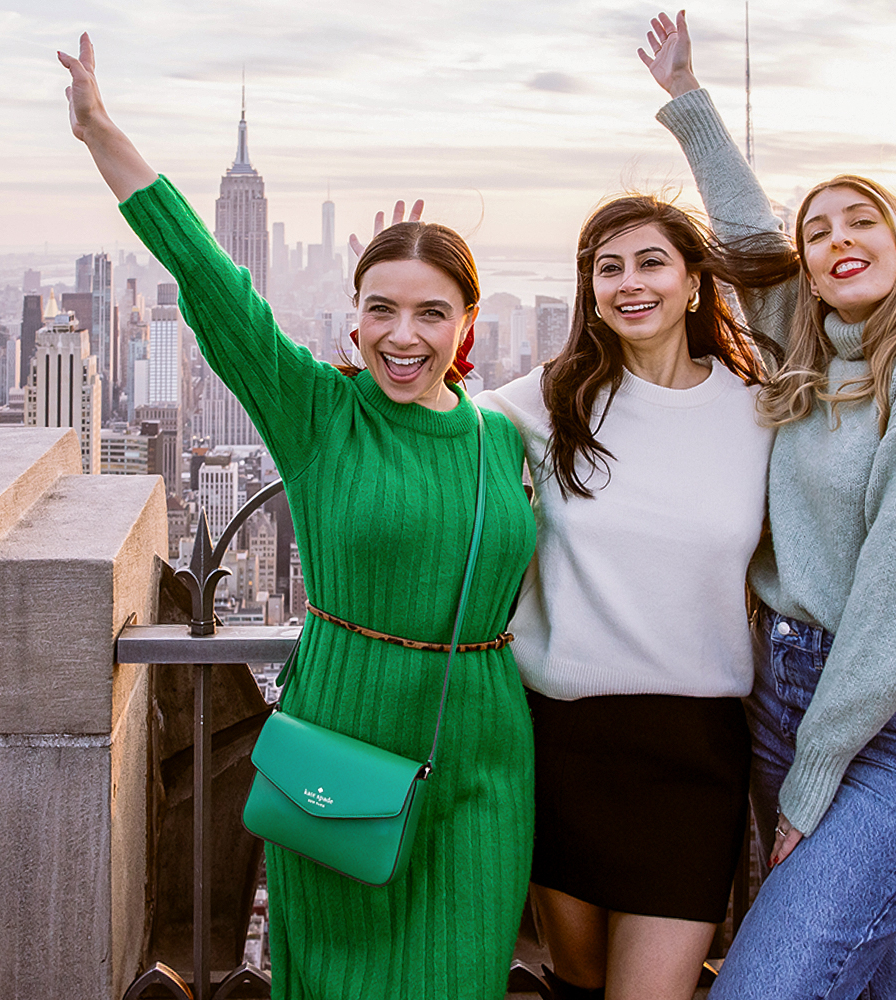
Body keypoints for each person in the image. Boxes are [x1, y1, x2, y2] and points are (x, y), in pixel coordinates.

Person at [57, 34, 537, 1000]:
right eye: (382, 309)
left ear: (469, 324)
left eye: (432, 312)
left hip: (484, 748)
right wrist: (104, 135)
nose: (405, 336)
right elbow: (217, 289)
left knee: (465, 978)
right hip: (345, 736)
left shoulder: (504, 434)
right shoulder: (320, 413)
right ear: (351, 321)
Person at [640, 10, 896, 998]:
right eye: (818, 231)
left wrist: (813, 774)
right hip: (793, 696)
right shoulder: (814, 361)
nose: (835, 239)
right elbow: (745, 234)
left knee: (765, 982)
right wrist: (687, 101)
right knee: (855, 982)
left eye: (861, 220)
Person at [477, 194, 790, 1000]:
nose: (628, 283)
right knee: (577, 984)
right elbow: (428, 427)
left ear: (694, 282)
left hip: (695, 753)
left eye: (651, 261)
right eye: (606, 267)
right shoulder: (547, 400)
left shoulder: (760, 413)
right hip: (561, 742)